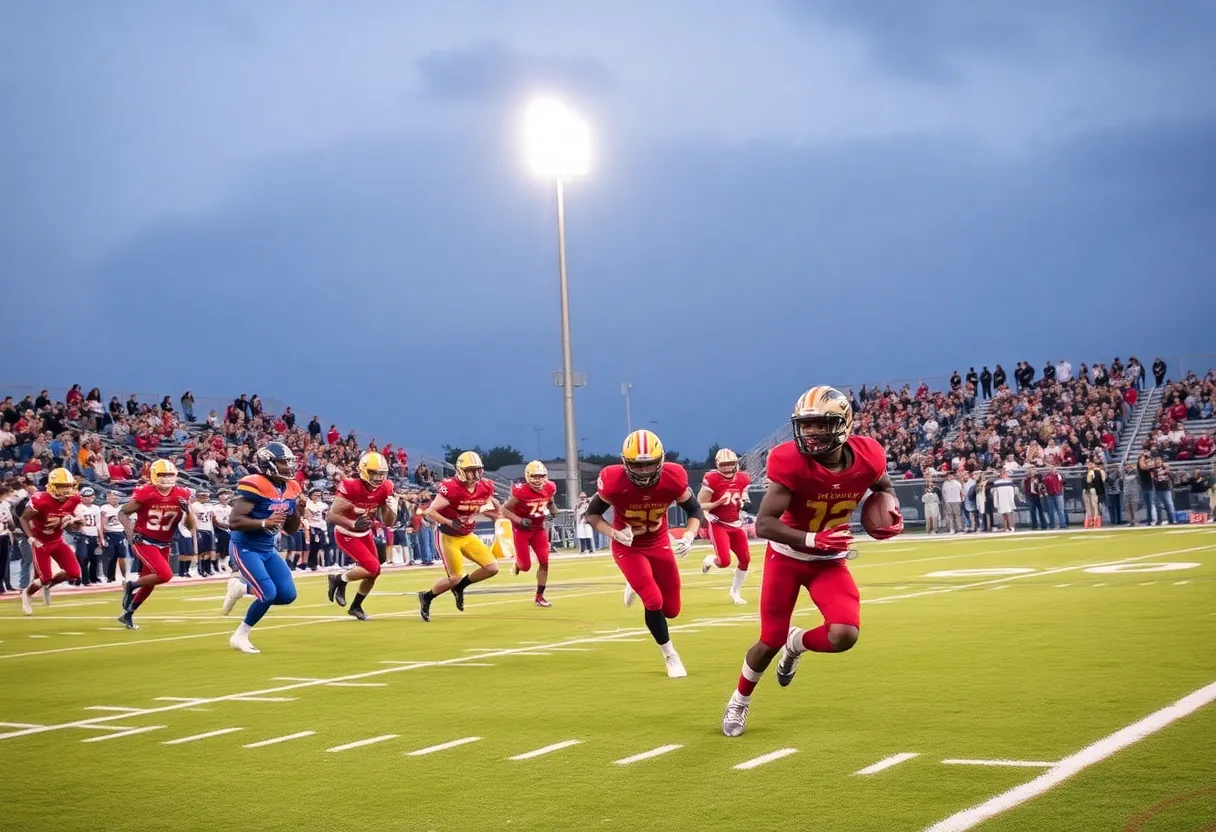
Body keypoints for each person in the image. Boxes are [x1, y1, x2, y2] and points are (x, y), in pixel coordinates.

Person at [721, 387, 901, 736]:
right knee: (768, 640)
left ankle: (797, 643)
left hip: (829, 561)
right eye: (806, 426)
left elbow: (884, 484)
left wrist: (889, 507)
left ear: (844, 425)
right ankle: (739, 702)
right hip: (787, 557)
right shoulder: (790, 461)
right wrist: (810, 538)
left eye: (821, 424)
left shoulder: (869, 455)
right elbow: (764, 524)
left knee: (845, 634)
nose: (812, 433)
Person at [584, 429, 704, 679]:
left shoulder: (673, 476)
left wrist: (690, 535)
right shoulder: (614, 480)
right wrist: (614, 534)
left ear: (660, 460)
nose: (643, 472)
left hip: (658, 540)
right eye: (636, 466)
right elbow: (592, 516)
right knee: (654, 601)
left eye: (649, 465)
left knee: (672, 610)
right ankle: (670, 655)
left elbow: (694, 510)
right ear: (624, 463)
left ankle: (635, 583)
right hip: (627, 546)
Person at [224, 442, 303, 653]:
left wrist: (298, 510)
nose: (288, 467)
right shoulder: (256, 485)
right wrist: (264, 522)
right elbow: (234, 521)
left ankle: (242, 588)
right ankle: (240, 636)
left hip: (268, 549)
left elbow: (292, 528)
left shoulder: (291, 488)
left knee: (287, 595)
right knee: (267, 593)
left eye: (289, 462)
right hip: (245, 547)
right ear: (269, 464)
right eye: (283, 463)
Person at [418, 452, 500, 621]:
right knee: (454, 577)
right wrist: (449, 522)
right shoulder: (452, 488)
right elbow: (430, 511)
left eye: (478, 470)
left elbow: (494, 505)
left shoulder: (484, 486)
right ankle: (427, 597)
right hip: (449, 537)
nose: (476, 474)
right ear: (461, 471)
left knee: (492, 568)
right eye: (471, 470)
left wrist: (493, 513)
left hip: (468, 535)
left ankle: (460, 587)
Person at [116, 459, 195, 629]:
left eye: (169, 475)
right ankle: (131, 585)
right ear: (153, 475)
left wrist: (188, 510)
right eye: (162, 475)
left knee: (150, 582)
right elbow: (122, 513)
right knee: (165, 575)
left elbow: (191, 526)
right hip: (144, 540)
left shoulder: (182, 494)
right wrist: (130, 532)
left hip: (164, 543)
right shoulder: (146, 492)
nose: (166, 479)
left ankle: (128, 614)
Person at [325, 452, 398, 620]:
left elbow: (388, 523)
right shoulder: (352, 487)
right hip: (346, 533)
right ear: (365, 471)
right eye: (375, 473)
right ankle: (339, 579)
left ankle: (356, 606)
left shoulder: (386, 487)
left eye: (382, 473)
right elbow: (331, 515)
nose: (379, 478)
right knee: (373, 567)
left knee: (374, 572)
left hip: (365, 533)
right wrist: (352, 523)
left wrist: (392, 510)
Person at [17, 468, 83, 615]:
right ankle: (27, 593)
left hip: (57, 540)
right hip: (41, 542)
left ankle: (48, 586)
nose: (66, 489)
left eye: (68, 485)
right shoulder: (41, 499)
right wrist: (31, 537)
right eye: (61, 486)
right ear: (52, 485)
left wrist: (73, 521)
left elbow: (79, 525)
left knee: (74, 574)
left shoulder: (74, 499)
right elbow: (23, 518)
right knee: (44, 577)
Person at [499, 460, 559, 607]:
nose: (538, 480)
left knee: (544, 562)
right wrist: (519, 520)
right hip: (522, 530)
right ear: (528, 476)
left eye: (541, 476)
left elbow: (550, 501)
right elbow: (504, 509)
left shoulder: (550, 487)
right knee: (525, 566)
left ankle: (539, 596)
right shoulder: (521, 491)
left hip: (538, 529)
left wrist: (554, 512)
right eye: (535, 476)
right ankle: (518, 564)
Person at [698, 448, 753, 604]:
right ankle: (710, 560)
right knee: (724, 562)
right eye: (724, 465)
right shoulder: (712, 478)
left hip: (736, 523)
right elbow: (700, 503)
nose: (727, 468)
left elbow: (743, 494)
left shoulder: (743, 478)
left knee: (745, 558)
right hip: (719, 524)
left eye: (730, 464)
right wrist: (709, 512)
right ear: (717, 465)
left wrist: (745, 502)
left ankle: (735, 592)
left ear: (736, 464)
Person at [72, 487, 103, 585]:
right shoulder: (78, 507)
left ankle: (93, 577)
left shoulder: (96, 508)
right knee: (83, 558)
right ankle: (84, 579)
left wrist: (100, 537)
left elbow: (98, 523)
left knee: (94, 558)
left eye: (89, 496)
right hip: (82, 534)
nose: (87, 498)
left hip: (93, 533)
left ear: (93, 496)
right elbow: (80, 521)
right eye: (85, 496)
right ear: (81, 497)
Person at [99, 490, 128, 583]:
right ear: (108, 499)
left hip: (120, 533)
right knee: (111, 556)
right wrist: (102, 536)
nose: (114, 500)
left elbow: (125, 521)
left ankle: (125, 576)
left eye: (116, 498)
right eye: (112, 498)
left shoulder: (122, 508)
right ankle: (110, 577)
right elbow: (102, 522)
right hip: (109, 533)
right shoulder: (105, 508)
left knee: (122, 556)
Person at [192, 489, 218, 576]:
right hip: (200, 529)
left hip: (209, 529)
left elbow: (213, 518)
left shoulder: (208, 506)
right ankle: (201, 569)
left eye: (205, 495)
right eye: (202, 495)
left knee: (208, 551)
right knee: (201, 551)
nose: (204, 497)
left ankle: (208, 568)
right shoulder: (194, 505)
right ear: (197, 496)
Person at [1082, 461, 1106, 528]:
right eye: (1088, 464)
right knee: (1087, 506)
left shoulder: (1098, 472)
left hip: (1093, 489)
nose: (1089, 465)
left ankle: (1095, 521)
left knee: (1094, 505)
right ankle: (1089, 520)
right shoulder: (1085, 473)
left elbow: (1101, 481)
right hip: (1086, 489)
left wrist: (1099, 492)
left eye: (1091, 464)